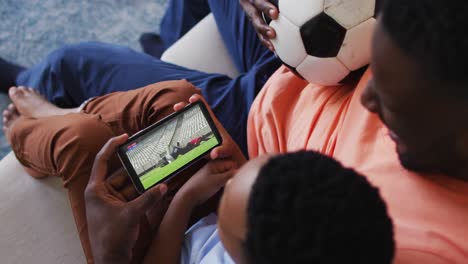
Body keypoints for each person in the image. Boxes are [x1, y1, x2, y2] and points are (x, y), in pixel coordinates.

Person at [244, 0, 468, 262]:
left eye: (388, 102)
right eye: (374, 76)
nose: (366, 99)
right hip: (287, 50)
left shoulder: (414, 243)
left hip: (252, 124)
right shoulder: (419, 51)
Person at [0, 0, 282, 156]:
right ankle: (162, 57)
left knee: (70, 65)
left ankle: (28, 84)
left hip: (261, 115)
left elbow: (144, 162)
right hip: (289, 72)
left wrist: (78, 115)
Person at [79, 133, 398, 263]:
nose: (229, 185)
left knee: (78, 141)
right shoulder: (332, 235)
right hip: (181, 221)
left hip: (156, 249)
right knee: (176, 101)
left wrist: (109, 254)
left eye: (230, 192)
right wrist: (188, 196)